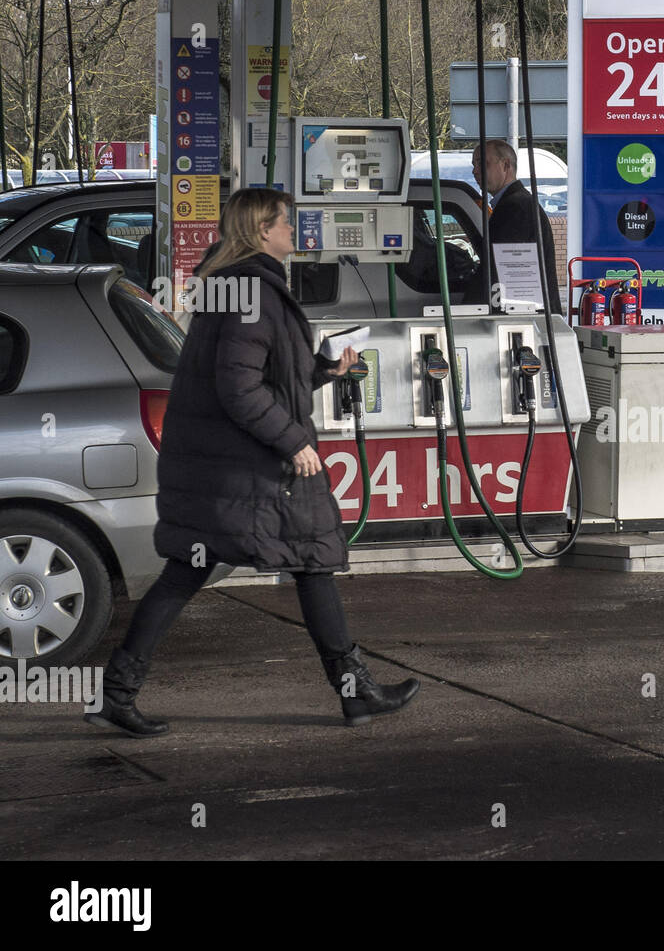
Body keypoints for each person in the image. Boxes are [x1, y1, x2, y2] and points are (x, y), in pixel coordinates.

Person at [86, 187, 419, 737]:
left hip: (221, 468)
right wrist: (294, 441)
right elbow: (239, 388)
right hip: (251, 468)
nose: (295, 230)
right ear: (263, 230)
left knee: (194, 569)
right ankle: (356, 692)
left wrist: (324, 369)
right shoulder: (253, 291)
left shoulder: (237, 285)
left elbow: (263, 374)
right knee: (311, 561)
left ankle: (117, 693)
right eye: (287, 222)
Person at [472, 139, 563, 314]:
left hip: (523, 315)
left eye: (482, 163)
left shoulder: (515, 207)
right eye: (474, 164)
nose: (475, 171)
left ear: (505, 165)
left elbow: (498, 267)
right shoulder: (519, 202)